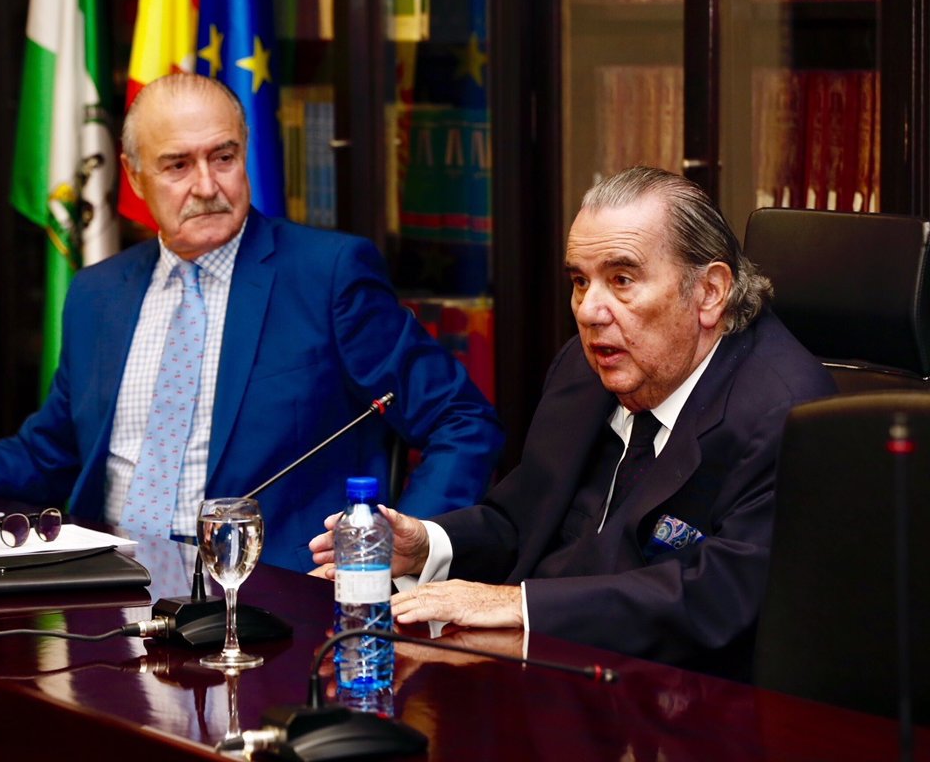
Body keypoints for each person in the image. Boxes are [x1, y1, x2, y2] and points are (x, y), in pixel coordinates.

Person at [0, 73, 503, 573]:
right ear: (134, 177)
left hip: (274, 602)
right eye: (177, 165)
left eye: (223, 157)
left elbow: (462, 420)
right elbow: (46, 457)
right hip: (102, 587)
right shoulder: (98, 295)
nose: (207, 185)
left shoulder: (327, 275)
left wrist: (397, 549)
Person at [311, 166, 836, 676]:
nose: (588, 311)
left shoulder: (785, 412)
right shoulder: (585, 371)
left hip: (681, 697)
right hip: (544, 677)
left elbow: (718, 596)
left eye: (622, 279)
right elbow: (523, 521)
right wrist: (429, 544)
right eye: (581, 281)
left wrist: (521, 605)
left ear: (710, 291)